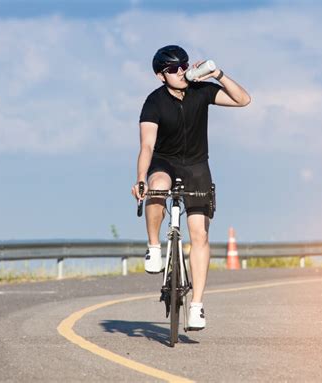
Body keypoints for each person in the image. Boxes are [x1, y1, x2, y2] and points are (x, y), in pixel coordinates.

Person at [131, 45, 250, 330]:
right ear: (161, 76)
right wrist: (141, 178)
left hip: (197, 165)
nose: (181, 72)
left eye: (183, 65)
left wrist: (217, 73)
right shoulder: (154, 101)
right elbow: (147, 145)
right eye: (173, 69)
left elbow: (243, 100)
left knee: (199, 234)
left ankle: (196, 305)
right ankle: (154, 247)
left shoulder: (201, 90)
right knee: (158, 186)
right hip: (165, 162)